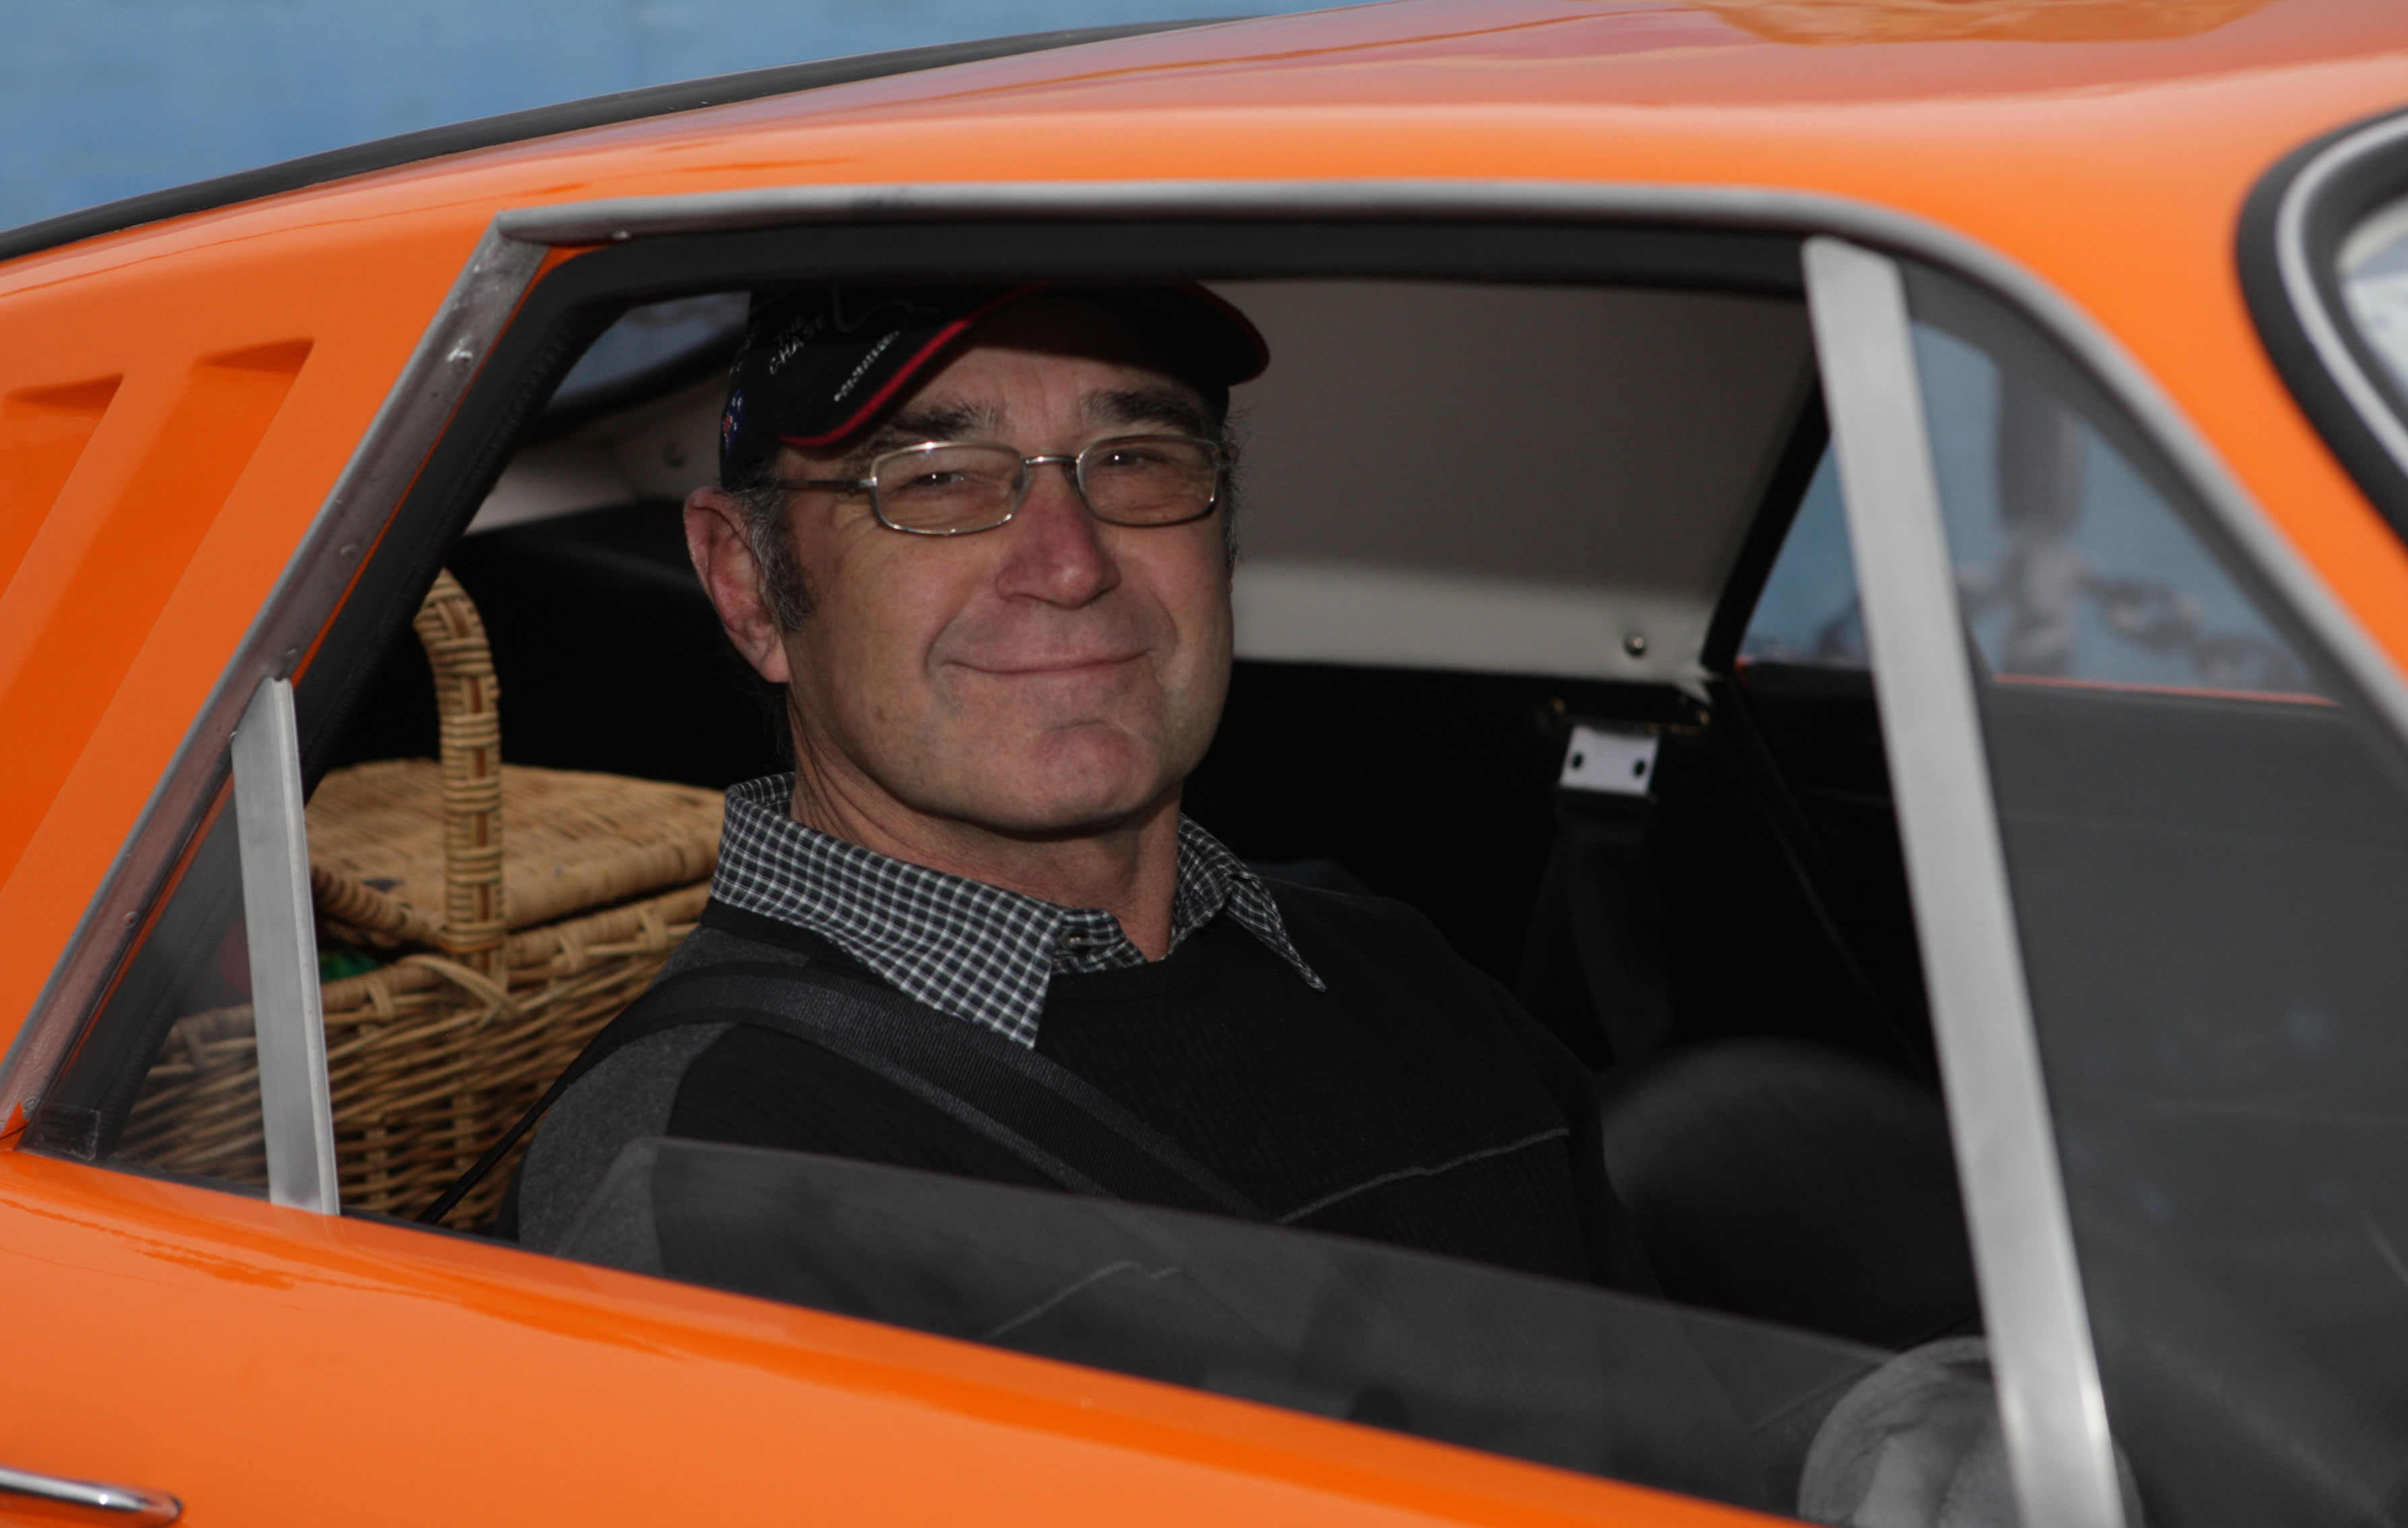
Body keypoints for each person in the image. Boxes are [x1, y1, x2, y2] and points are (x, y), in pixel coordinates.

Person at [518, 281, 1648, 1288]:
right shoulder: (705, 1162)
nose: (1070, 564)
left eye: (1137, 460)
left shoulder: (1412, 982)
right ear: (749, 586)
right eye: (939, 479)